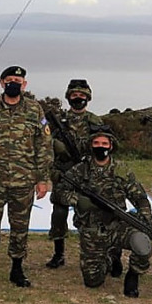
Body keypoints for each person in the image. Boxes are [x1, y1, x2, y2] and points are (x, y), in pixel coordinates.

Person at [0, 65, 53, 288]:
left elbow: (43, 145)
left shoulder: (35, 110)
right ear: (1, 82)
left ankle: (17, 268)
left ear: (24, 84)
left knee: (20, 226)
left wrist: (42, 179)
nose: (13, 83)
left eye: (18, 79)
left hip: (23, 181)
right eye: (9, 79)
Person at [59, 126, 152, 297]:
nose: (100, 146)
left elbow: (140, 198)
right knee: (92, 281)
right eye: (96, 143)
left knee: (142, 243)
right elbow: (59, 193)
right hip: (92, 230)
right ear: (90, 145)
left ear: (111, 146)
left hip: (118, 225)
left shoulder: (121, 170)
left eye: (104, 143)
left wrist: (146, 221)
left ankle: (133, 275)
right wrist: (78, 201)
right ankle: (110, 258)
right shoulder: (80, 170)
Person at [46, 79, 99, 270]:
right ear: (68, 97)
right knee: (59, 213)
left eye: (82, 95)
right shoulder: (58, 120)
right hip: (63, 174)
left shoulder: (94, 121)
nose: (78, 98)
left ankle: (93, 252)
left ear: (88, 97)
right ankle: (58, 254)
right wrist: (54, 144)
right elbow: (42, 138)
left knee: (88, 213)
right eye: (75, 95)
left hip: (86, 173)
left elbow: (105, 145)